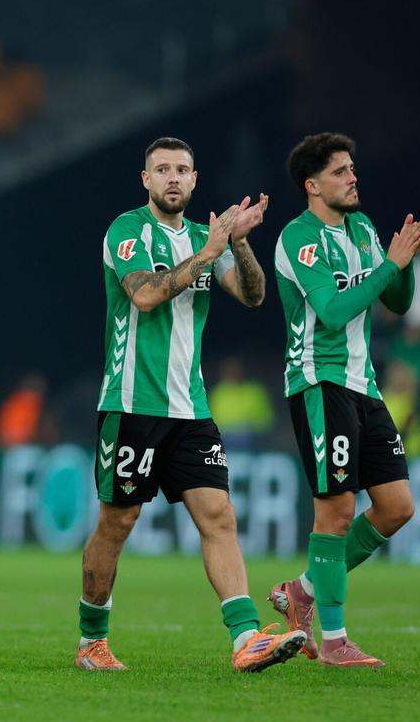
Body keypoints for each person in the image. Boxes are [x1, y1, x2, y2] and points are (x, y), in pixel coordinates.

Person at [77, 136, 306, 673]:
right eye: (163, 170)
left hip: (191, 409)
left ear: (196, 180)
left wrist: (240, 243)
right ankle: (92, 641)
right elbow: (145, 295)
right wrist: (207, 250)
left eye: (183, 169)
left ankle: (246, 638)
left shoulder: (213, 237)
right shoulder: (126, 231)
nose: (173, 177)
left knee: (219, 515)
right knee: (117, 522)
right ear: (146, 180)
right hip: (132, 403)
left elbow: (252, 296)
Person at [269, 132, 420, 667]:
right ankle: (335, 641)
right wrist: (390, 264)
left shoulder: (361, 228)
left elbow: (397, 303)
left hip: (364, 385)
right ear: (312, 185)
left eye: (352, 168)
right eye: (340, 171)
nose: (352, 177)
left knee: (396, 507)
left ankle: (303, 591)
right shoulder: (299, 238)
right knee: (335, 511)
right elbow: (334, 313)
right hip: (320, 383)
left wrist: (401, 262)